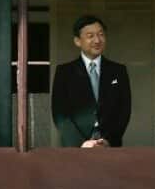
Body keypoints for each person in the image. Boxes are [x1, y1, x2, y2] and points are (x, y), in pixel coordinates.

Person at [51, 14, 132, 148]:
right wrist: (81, 143)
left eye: (101, 34)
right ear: (77, 41)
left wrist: (109, 140)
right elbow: (60, 114)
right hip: (76, 147)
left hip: (109, 145)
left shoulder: (118, 70)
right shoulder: (64, 72)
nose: (97, 40)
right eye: (90, 36)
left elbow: (124, 111)